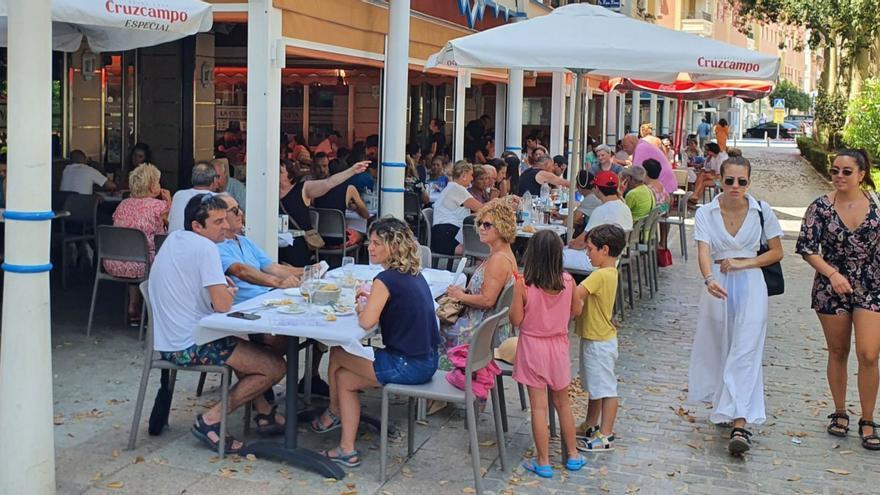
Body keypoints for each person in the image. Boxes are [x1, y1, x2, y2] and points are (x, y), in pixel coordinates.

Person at [149, 194, 286, 454]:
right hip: (189, 344)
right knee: (274, 366)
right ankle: (210, 420)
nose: (225, 226)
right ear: (196, 226)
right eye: (217, 221)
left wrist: (221, 290)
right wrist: (227, 293)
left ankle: (264, 412)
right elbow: (223, 306)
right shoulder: (206, 248)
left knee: (249, 348)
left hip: (170, 338)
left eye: (226, 219)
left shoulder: (173, 241)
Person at [313, 218, 440, 468]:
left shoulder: (385, 279)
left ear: (393, 246)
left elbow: (366, 323)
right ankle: (346, 449)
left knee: (338, 352)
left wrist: (362, 307)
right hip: (426, 360)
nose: (370, 247)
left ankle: (334, 412)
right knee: (345, 380)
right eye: (370, 242)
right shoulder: (414, 273)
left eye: (376, 243)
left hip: (407, 364)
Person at [688, 154, 784, 456]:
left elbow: (777, 252)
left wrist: (746, 262)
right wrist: (707, 278)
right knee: (721, 346)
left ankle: (741, 422)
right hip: (717, 283)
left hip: (751, 282)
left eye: (742, 181)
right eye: (729, 180)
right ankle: (726, 404)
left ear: (749, 182)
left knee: (746, 349)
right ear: (720, 180)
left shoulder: (761, 211)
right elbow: (703, 251)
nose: (735, 186)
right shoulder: (706, 212)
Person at [796, 149, 880, 451]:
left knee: (869, 354)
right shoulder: (820, 207)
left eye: (846, 171)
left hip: (872, 284)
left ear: (861, 174)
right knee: (839, 350)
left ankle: (868, 418)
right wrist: (832, 274)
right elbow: (807, 247)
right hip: (832, 286)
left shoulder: (877, 204)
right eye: (835, 171)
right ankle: (841, 411)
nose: (839, 176)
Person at [510, 229, 586, 478]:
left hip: (532, 346)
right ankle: (573, 455)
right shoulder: (567, 281)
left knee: (539, 408)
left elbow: (516, 319)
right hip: (558, 346)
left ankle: (543, 460)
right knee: (563, 403)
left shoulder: (524, 285)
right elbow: (576, 310)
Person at [440, 199, 518, 370]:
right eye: (481, 223)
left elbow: (487, 300)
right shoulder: (502, 254)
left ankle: (439, 384)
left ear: (502, 227)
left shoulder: (498, 259)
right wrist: (466, 292)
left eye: (488, 225)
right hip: (489, 327)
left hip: (480, 331)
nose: (481, 228)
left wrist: (460, 296)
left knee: (431, 328)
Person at [574, 224, 626, 452]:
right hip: (595, 337)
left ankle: (606, 435)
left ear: (604, 250)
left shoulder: (600, 275)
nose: (587, 253)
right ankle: (590, 424)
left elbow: (575, 294)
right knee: (595, 386)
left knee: (605, 388)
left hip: (599, 341)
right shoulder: (611, 272)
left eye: (590, 249)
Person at [103, 163, 171, 324]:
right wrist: (169, 201)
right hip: (143, 265)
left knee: (138, 253)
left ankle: (133, 306)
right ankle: (160, 315)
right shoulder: (159, 207)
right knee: (161, 257)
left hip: (114, 262)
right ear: (153, 186)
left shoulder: (122, 205)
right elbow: (171, 227)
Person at [279, 158, 369, 267]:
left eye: (280, 172)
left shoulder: (303, 188)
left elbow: (329, 183)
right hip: (276, 243)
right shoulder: (268, 192)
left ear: (290, 175)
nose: (274, 173)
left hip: (298, 244)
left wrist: (352, 171)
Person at [565, 171, 632, 271]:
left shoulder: (601, 210)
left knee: (553, 255)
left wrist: (571, 243)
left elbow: (581, 243)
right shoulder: (624, 207)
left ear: (596, 189)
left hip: (596, 260)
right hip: (614, 257)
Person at [431, 161, 483, 256]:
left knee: (481, 243)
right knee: (482, 249)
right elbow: (481, 208)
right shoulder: (457, 189)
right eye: (471, 175)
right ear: (464, 175)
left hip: (442, 234)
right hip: (446, 236)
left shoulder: (452, 187)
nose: (472, 178)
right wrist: (500, 201)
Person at [168, 162, 220, 232]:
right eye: (217, 177)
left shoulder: (179, 195)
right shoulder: (219, 198)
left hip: (174, 240)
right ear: (214, 180)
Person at [689, 143, 728, 207]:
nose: (705, 151)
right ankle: (695, 199)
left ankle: (695, 195)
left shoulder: (721, 158)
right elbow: (710, 169)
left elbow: (721, 174)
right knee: (702, 179)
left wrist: (711, 175)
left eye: (707, 150)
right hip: (716, 177)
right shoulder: (712, 157)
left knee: (702, 176)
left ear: (711, 150)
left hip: (722, 180)